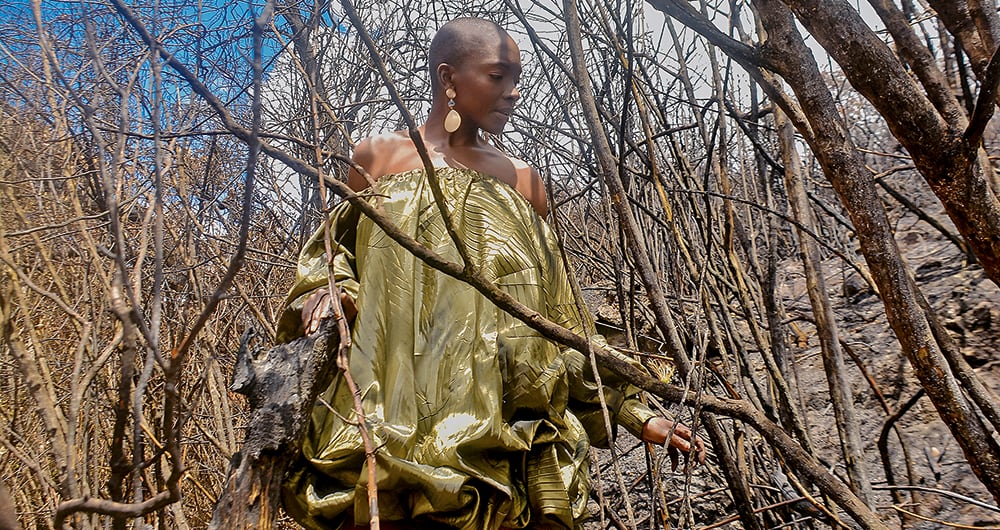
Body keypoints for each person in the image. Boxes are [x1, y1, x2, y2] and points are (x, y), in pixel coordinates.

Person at [277, 17, 704, 530]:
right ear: (448, 77)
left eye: (518, 78)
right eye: (498, 76)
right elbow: (333, 253)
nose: (513, 93)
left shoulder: (523, 182)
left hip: (498, 430)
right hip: (385, 414)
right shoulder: (377, 159)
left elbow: (559, 318)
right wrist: (329, 290)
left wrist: (631, 408)